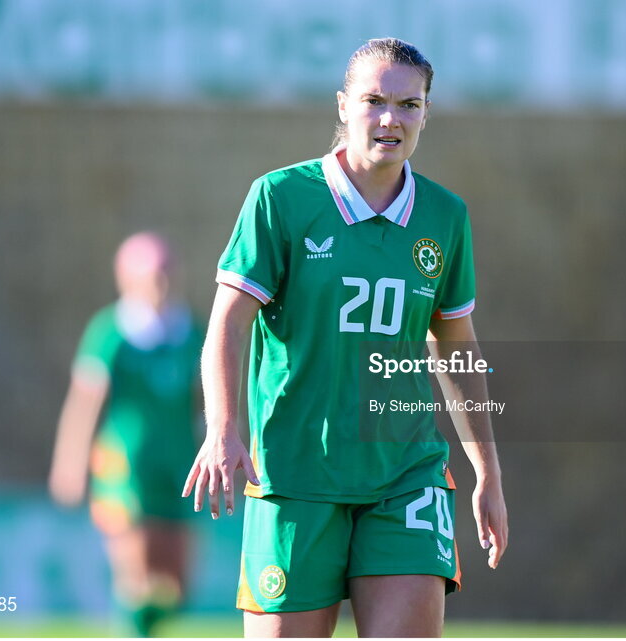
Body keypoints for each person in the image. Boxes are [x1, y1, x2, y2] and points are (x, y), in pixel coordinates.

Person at [182, 38, 508, 638]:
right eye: (374, 100)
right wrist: (225, 429)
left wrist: (486, 470)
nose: (391, 119)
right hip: (295, 476)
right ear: (343, 105)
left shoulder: (445, 215)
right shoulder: (281, 198)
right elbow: (228, 322)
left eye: (409, 105)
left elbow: (456, 345)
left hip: (406, 474)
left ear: (426, 113)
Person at [49, 232, 204, 637]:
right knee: (136, 575)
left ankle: (146, 629)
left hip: (179, 466)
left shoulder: (191, 333)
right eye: (153, 272)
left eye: (168, 270)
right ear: (128, 278)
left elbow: (206, 404)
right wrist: (70, 463)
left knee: (177, 587)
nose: (162, 280)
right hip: (125, 466)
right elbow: (84, 404)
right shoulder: (111, 332)